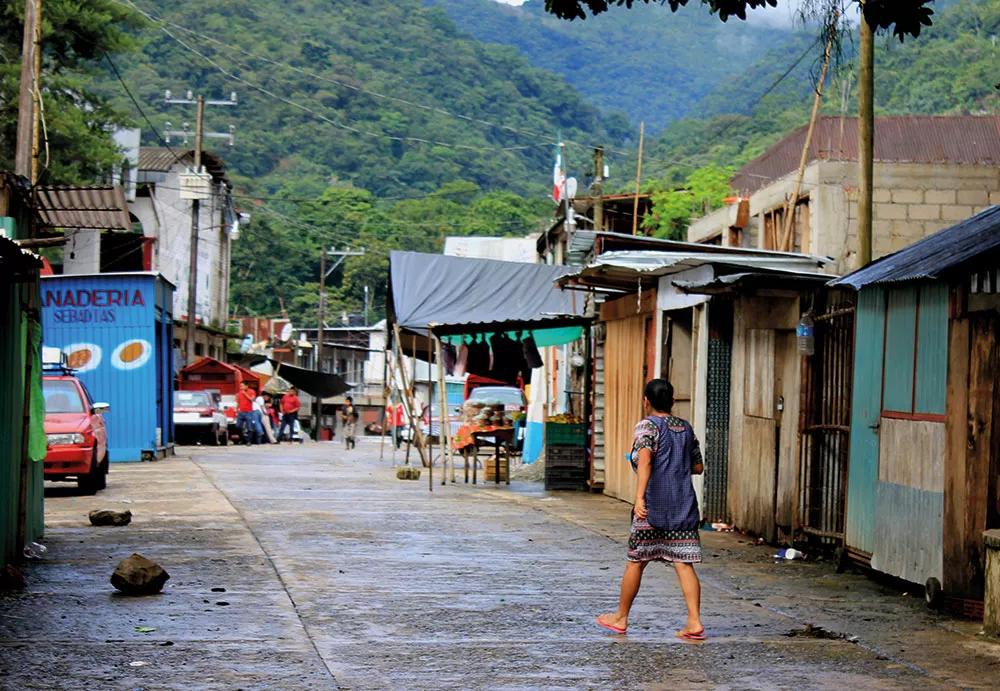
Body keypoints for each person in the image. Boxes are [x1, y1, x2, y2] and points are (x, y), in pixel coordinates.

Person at [596, 378, 705, 641]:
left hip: (652, 508)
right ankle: (694, 622)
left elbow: (644, 460)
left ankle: (621, 617)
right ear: (673, 401)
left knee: (637, 561)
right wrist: (674, 465)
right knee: (684, 563)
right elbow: (698, 467)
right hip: (682, 507)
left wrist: (639, 498)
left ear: (646, 401)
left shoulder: (647, 426)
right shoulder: (686, 428)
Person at [235, 381, 256, 445]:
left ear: (247, 386)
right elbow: (238, 402)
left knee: (249, 427)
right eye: (240, 386)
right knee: (238, 426)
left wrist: (245, 394)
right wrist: (236, 409)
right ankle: (243, 439)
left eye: (242, 386)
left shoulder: (251, 391)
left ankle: (249, 441)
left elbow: (252, 399)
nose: (241, 387)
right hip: (241, 412)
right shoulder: (239, 393)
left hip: (249, 412)